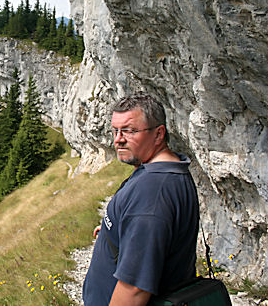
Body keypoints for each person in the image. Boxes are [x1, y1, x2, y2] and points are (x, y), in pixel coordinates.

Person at [82, 94, 199, 306]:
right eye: (115, 130)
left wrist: (138, 221)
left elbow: (135, 289)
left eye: (129, 130)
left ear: (158, 134)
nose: (118, 139)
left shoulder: (152, 194)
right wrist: (117, 231)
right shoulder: (168, 170)